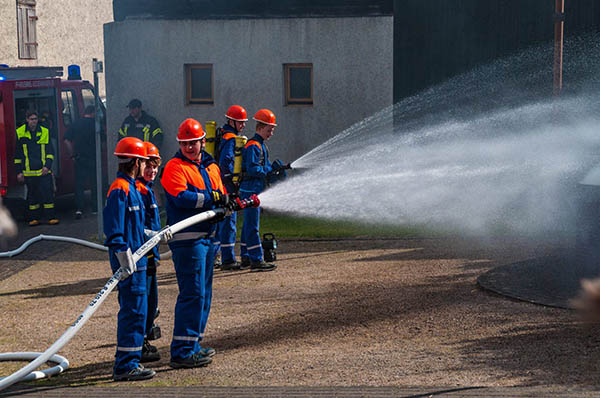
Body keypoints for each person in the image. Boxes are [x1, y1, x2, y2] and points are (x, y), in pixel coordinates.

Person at [161, 118, 228, 368]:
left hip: (208, 239)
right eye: (185, 143)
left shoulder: (211, 168)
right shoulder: (174, 167)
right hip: (188, 241)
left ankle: (194, 344)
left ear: (202, 142)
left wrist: (223, 201)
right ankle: (181, 351)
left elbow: (221, 194)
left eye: (193, 143)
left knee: (203, 295)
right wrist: (211, 198)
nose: (189, 147)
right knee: (193, 294)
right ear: (180, 144)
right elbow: (181, 198)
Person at [103, 137, 155, 381]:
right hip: (129, 262)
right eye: (143, 161)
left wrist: (154, 236)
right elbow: (114, 229)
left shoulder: (133, 188)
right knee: (132, 312)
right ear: (135, 162)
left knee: (139, 311)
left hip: (139, 260)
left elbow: (134, 226)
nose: (145, 165)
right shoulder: (120, 189)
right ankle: (125, 365)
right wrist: (123, 256)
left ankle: (131, 360)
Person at [239, 109, 279, 272]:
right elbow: (253, 169)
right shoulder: (253, 146)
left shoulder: (260, 145)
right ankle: (256, 259)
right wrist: (269, 170)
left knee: (248, 225)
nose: (271, 133)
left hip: (252, 189)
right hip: (250, 191)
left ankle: (246, 256)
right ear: (260, 127)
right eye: (269, 130)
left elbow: (261, 167)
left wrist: (275, 169)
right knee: (252, 226)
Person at [135, 142, 162, 363]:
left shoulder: (148, 190)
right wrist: (154, 234)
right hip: (140, 254)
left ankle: (145, 337)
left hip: (150, 254)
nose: (152, 171)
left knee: (152, 302)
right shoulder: (137, 191)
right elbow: (136, 226)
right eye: (148, 167)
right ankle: (139, 344)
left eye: (155, 167)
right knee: (141, 302)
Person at [215, 105, 248, 271]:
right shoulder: (230, 138)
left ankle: (214, 257)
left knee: (218, 222)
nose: (242, 125)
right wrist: (233, 180)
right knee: (229, 222)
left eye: (243, 122)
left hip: (219, 185)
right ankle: (228, 259)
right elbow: (225, 162)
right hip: (227, 186)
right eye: (240, 122)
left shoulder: (223, 135)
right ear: (231, 121)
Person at [14, 110, 59, 226]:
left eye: (35, 119)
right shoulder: (20, 133)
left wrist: (47, 167)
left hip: (43, 171)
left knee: (47, 195)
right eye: (31, 119)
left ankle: (50, 217)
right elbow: (18, 155)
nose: (33, 122)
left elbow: (50, 152)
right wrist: (19, 172)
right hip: (29, 172)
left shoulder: (44, 131)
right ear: (27, 120)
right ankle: (34, 218)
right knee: (32, 197)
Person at [64, 105, 98, 219]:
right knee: (95, 183)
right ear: (93, 113)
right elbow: (103, 141)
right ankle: (96, 208)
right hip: (93, 158)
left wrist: (72, 155)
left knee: (79, 185)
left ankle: (79, 209)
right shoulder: (95, 124)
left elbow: (67, 140)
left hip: (79, 158)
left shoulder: (75, 123)